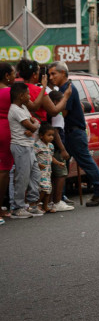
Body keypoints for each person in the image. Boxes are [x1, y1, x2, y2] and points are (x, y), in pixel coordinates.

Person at [47, 61, 99, 207]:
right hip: (70, 132)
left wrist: (50, 109)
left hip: (73, 132)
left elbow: (63, 113)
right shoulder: (64, 88)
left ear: (63, 73)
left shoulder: (67, 89)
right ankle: (60, 196)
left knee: (85, 161)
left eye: (53, 74)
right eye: (49, 74)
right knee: (64, 162)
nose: (51, 77)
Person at [8, 82, 41, 218]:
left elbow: (34, 122)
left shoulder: (24, 108)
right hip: (20, 146)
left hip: (29, 145)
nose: (29, 97)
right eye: (28, 94)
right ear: (21, 96)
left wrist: (34, 124)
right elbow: (32, 126)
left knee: (35, 174)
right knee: (22, 177)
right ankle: (18, 207)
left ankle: (32, 204)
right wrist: (35, 125)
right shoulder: (15, 109)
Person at [46, 90, 73, 212]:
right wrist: (62, 149)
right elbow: (55, 131)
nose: (65, 103)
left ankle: (51, 201)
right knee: (61, 173)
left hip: (54, 146)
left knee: (53, 175)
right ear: (56, 102)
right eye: (63, 100)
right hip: (57, 148)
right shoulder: (56, 113)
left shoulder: (57, 112)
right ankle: (57, 201)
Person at [0, 62, 15, 220]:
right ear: (6, 75)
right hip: (5, 131)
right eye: (13, 73)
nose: (15, 76)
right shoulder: (11, 92)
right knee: (4, 171)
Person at [34, 123, 59, 214]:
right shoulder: (37, 145)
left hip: (48, 171)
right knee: (43, 188)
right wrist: (38, 164)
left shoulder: (51, 146)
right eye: (49, 135)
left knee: (48, 189)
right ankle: (35, 205)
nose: (51, 137)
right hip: (40, 171)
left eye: (52, 135)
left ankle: (45, 206)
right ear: (41, 135)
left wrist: (58, 163)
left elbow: (51, 157)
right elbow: (32, 157)